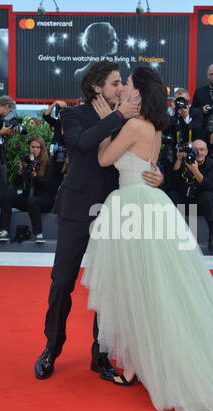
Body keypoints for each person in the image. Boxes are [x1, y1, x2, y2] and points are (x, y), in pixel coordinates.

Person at [82, 66, 213, 411]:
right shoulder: (153, 127)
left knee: (140, 287)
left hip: (133, 207)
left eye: (129, 84)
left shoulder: (134, 125)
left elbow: (104, 158)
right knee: (155, 287)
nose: (123, 88)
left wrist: (107, 125)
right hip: (150, 205)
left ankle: (142, 366)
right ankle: (139, 365)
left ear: (138, 92)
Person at [34, 60, 163, 381]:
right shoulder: (73, 115)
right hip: (78, 209)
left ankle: (101, 354)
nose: (122, 88)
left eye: (123, 83)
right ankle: (52, 347)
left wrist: (158, 178)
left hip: (117, 211)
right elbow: (82, 143)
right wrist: (116, 117)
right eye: (116, 83)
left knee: (111, 285)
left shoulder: (131, 119)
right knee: (63, 280)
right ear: (97, 87)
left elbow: (143, 158)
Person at [0, 134, 63, 243]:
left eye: (38, 147)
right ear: (29, 147)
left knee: (32, 201)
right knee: (8, 196)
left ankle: (38, 234)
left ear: (42, 149)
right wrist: (19, 173)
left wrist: (34, 175)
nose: (35, 150)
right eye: (33, 147)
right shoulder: (26, 160)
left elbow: (47, 186)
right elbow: (17, 184)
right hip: (29, 199)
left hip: (46, 201)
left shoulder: (49, 164)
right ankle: (4, 231)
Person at [165, 139, 213, 251]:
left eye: (201, 150)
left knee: (208, 196)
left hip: (199, 204)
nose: (198, 152)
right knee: (172, 194)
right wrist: (179, 159)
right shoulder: (185, 160)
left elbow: (209, 185)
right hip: (184, 201)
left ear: (207, 152)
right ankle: (172, 235)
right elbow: (172, 180)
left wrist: (194, 170)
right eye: (195, 150)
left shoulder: (211, 164)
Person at [0, 95, 16, 211]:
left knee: (1, 193)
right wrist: (1, 131)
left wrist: (8, 135)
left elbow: (0, 141)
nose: (8, 114)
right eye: (9, 111)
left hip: (0, 159)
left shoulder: (1, 119)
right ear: (6, 106)